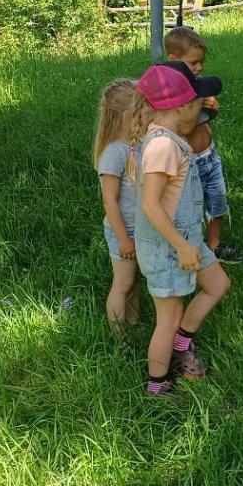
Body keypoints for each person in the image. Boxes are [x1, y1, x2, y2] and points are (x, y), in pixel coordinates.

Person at [133, 63, 232, 401]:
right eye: (197, 98)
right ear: (180, 106)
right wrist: (181, 246)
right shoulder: (162, 147)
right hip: (169, 246)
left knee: (217, 284)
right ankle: (157, 386)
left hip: (186, 239)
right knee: (169, 317)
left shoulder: (172, 134)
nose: (203, 102)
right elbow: (150, 205)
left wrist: (189, 243)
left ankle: (181, 346)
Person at [164, 26, 243, 264]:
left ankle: (214, 245)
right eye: (193, 62)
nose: (199, 67)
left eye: (201, 62)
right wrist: (199, 102)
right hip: (189, 161)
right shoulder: (172, 93)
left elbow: (205, 119)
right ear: (173, 59)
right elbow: (185, 128)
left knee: (217, 200)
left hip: (210, 155)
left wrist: (212, 108)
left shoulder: (199, 85)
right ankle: (189, 246)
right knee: (190, 206)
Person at [93, 77, 142, 332]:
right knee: (123, 283)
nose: (148, 112)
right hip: (123, 230)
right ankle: (118, 338)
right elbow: (109, 200)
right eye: (143, 108)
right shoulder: (114, 152)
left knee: (135, 282)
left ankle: (133, 325)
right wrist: (123, 239)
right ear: (127, 115)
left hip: (140, 228)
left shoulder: (137, 144)